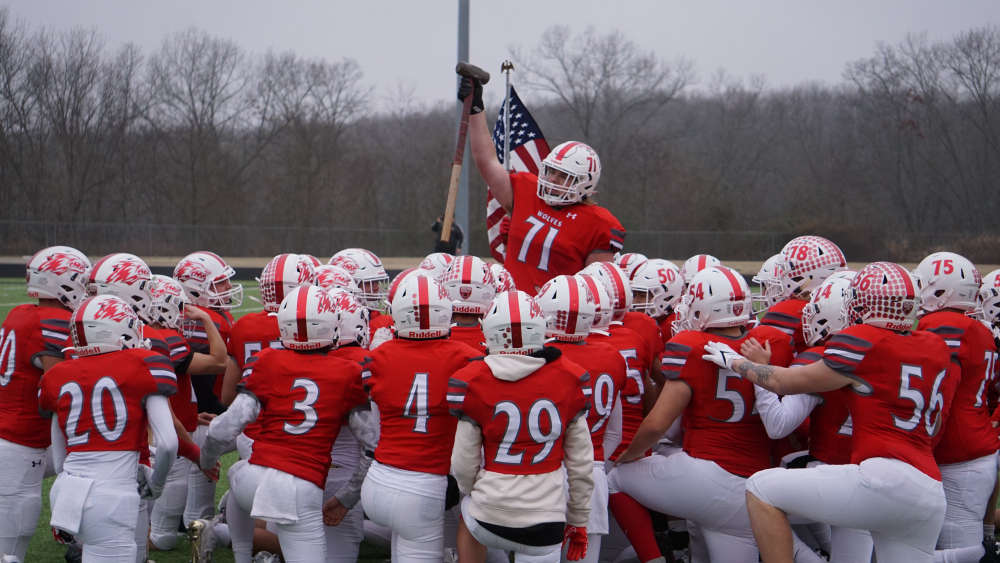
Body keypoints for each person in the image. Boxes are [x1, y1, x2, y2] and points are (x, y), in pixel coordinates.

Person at [702, 261, 957, 563]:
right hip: (928, 491)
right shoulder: (934, 346)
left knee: (761, 488)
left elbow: (782, 382)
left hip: (884, 479)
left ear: (863, 303)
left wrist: (734, 362)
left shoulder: (864, 340)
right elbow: (936, 418)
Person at [606, 266, 802, 563]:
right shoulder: (767, 344)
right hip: (752, 488)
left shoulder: (694, 348)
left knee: (615, 478)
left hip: (706, 474)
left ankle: (653, 559)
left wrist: (629, 454)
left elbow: (658, 424)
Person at [201, 285, 375, 563]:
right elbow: (372, 444)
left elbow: (225, 427)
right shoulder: (348, 373)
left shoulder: (266, 360)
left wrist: (207, 459)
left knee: (236, 473)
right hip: (302, 487)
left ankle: (241, 555)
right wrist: (347, 498)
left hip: (253, 478)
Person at [448, 290, 594, 563]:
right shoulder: (569, 377)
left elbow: (463, 463)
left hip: (489, 518)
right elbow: (582, 465)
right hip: (548, 525)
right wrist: (578, 520)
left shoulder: (474, 380)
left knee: (468, 509)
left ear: (489, 331)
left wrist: (477, 490)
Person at [41, 294, 179, 562]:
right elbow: (168, 443)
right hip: (111, 493)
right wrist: (157, 485)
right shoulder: (143, 363)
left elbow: (60, 457)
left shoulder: (56, 375)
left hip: (66, 492)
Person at [459, 74, 625, 294]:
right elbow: (487, 162)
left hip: (559, 315)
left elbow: (597, 289)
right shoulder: (526, 190)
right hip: (509, 307)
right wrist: (476, 109)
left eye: (563, 176)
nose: (553, 179)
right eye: (551, 171)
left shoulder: (599, 223)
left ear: (585, 184)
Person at [360, 274, 482, 562]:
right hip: (424, 485)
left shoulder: (376, 357)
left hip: (377, 480)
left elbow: (371, 422)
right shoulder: (469, 359)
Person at [0, 246, 90, 560]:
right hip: (18, 443)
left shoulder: (20, 312)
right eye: (80, 280)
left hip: (15, 435)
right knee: (11, 545)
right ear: (63, 283)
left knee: (87, 465)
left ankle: (71, 522)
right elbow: (64, 389)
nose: (85, 287)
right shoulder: (53, 321)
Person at [912, 252, 998, 562]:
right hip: (977, 448)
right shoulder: (981, 331)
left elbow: (941, 394)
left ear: (940, 290)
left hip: (956, 454)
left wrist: (922, 444)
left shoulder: (941, 325)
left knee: (956, 548)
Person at [535, 275, 627, 563]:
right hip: (592, 472)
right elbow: (615, 431)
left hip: (543, 471)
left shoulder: (538, 358)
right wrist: (597, 462)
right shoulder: (613, 356)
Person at [759, 236, 847, 353]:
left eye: (784, 270)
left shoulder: (790, 310)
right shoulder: (845, 302)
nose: (781, 276)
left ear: (805, 278)